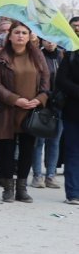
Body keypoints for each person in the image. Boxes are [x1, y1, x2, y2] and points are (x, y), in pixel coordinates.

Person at [0, 21, 50, 203]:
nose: (20, 36)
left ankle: (21, 189)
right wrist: (15, 99)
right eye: (17, 32)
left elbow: (46, 82)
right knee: (6, 151)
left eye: (24, 32)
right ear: (10, 36)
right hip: (7, 111)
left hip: (31, 111)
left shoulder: (37, 56)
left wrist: (38, 100)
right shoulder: (1, 57)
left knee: (27, 150)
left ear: (29, 36)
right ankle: (8, 188)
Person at [30, 38, 64, 189]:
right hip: (43, 102)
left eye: (53, 41)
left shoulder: (62, 56)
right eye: (47, 40)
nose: (50, 43)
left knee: (54, 141)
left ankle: (50, 175)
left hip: (60, 103)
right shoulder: (37, 56)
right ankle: (37, 175)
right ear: (42, 41)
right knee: (38, 141)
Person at [57, 43, 79, 204]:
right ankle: (73, 193)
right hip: (73, 112)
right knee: (73, 153)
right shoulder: (72, 55)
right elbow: (61, 80)